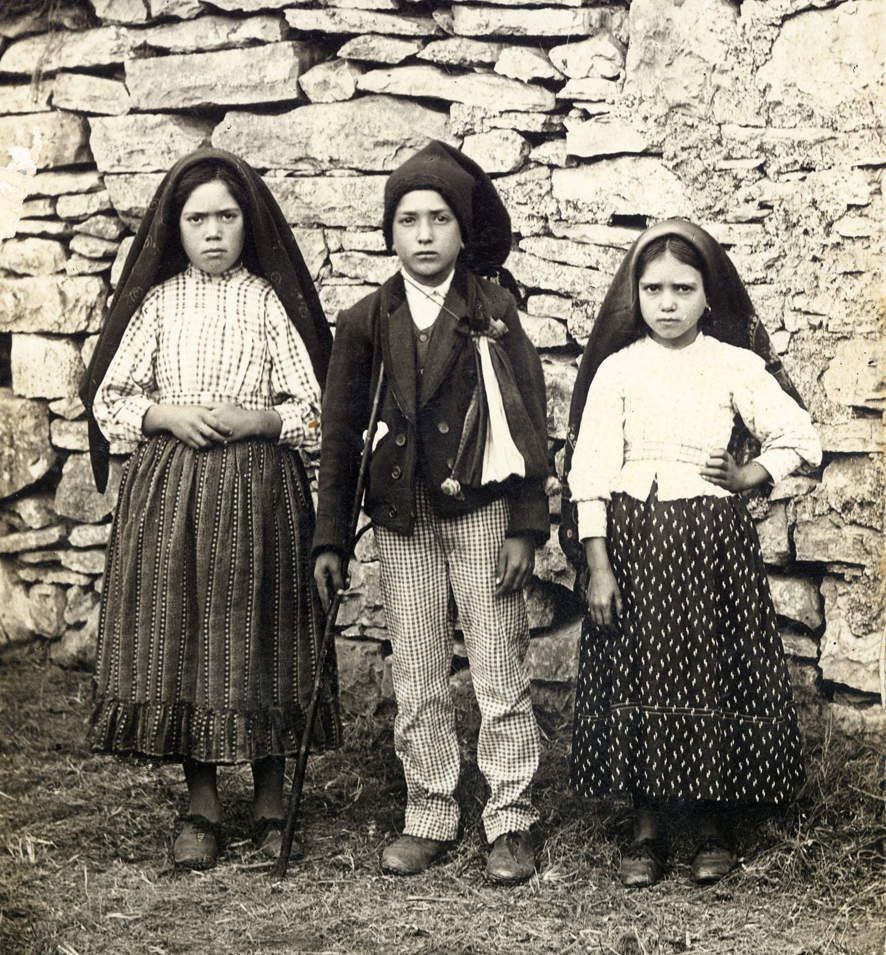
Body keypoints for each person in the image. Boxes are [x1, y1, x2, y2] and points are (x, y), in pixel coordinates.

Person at [80, 148, 341, 870]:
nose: (214, 232)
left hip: (259, 491)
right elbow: (110, 398)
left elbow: (316, 406)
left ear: (247, 222)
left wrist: (261, 420)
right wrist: (165, 414)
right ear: (177, 228)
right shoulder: (160, 303)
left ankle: (270, 797)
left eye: (227, 216)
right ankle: (201, 802)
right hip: (172, 493)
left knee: (262, 633)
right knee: (184, 635)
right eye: (197, 219)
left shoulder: (266, 302)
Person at [313, 141, 552, 884]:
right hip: (402, 517)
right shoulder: (365, 320)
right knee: (417, 666)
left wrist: (525, 525)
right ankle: (429, 809)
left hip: (481, 511)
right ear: (389, 231)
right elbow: (340, 433)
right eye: (409, 219)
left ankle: (511, 815)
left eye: (440, 219)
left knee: (497, 660)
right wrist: (330, 538)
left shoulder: (492, 310)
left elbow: (529, 419)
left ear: (462, 229)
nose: (424, 234)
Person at [560, 219, 821, 887]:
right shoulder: (618, 369)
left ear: (709, 296)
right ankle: (647, 825)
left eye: (683, 288)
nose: (668, 303)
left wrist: (750, 473)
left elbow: (799, 435)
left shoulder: (733, 364)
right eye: (653, 289)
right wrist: (598, 567)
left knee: (709, 665)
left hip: (711, 543)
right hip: (633, 540)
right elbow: (590, 473)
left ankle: (711, 821)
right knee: (642, 666)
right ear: (635, 295)